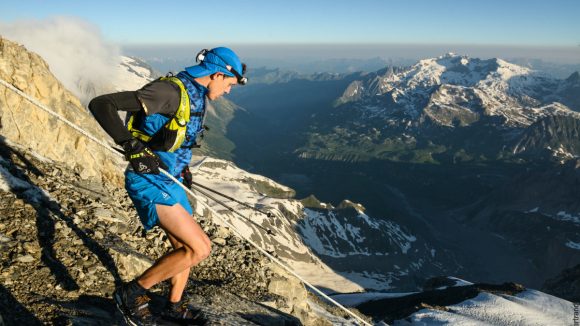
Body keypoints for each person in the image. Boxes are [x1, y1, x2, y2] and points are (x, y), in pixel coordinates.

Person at [88, 47, 247, 325]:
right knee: (199, 249)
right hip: (148, 181)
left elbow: (173, 137)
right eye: (229, 84)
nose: (229, 91)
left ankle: (173, 306)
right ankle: (132, 293)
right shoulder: (169, 92)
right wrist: (131, 147)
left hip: (169, 178)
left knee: (182, 246)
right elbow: (102, 104)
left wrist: (182, 167)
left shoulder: (196, 94)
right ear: (218, 74)